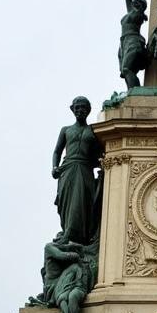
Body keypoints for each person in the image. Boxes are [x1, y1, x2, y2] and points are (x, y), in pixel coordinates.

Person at [52, 97, 103, 244]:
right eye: (77, 107)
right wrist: (54, 167)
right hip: (67, 169)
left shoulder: (93, 132)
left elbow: (99, 154)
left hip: (84, 169)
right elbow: (57, 151)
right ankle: (67, 230)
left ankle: (74, 235)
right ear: (72, 109)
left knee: (81, 202)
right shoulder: (66, 130)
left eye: (83, 108)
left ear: (88, 110)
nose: (80, 110)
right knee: (66, 202)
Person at [118, 0, 149, 89]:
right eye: (134, 0)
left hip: (133, 41)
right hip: (124, 42)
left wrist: (141, 11)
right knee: (125, 71)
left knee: (127, 68)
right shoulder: (130, 12)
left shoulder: (138, 14)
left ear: (141, 5)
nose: (133, 1)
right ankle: (132, 92)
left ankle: (135, 93)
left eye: (137, 1)